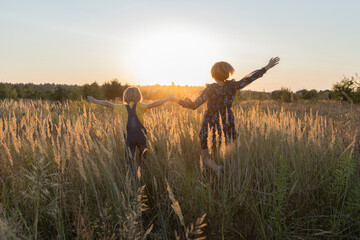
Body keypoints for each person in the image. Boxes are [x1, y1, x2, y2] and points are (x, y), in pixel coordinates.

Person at [168, 57, 280, 176]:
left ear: (213, 74)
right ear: (227, 74)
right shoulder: (232, 86)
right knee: (227, 154)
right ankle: (229, 173)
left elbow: (193, 105)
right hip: (226, 123)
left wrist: (175, 99)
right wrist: (267, 67)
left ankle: (217, 169)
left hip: (210, 123)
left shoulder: (209, 89)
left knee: (205, 158)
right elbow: (250, 78)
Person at [87, 87, 171, 174]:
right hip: (141, 136)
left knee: (129, 160)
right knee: (143, 155)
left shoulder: (122, 107)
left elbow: (107, 103)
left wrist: (95, 100)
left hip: (129, 137)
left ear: (125, 97)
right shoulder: (140, 106)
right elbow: (154, 104)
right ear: (139, 96)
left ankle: (133, 175)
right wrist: (166, 99)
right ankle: (142, 171)